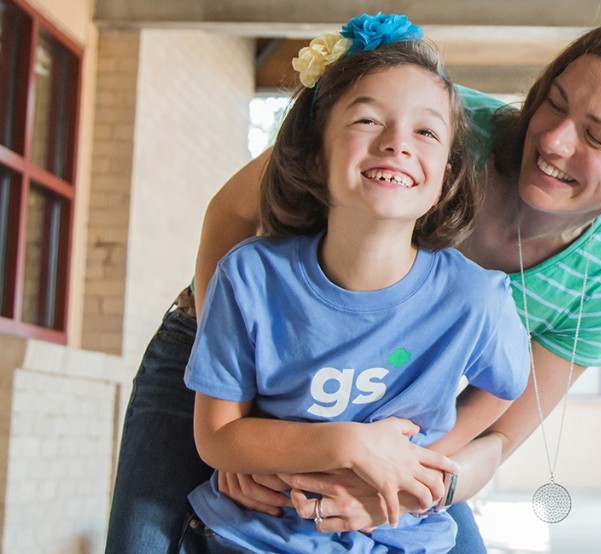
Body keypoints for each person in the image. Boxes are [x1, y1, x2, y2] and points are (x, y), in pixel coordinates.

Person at [106, 20, 601, 553]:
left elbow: (497, 433)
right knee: (144, 536)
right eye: (554, 102)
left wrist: (389, 483)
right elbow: (230, 214)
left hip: (378, 412)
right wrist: (251, 427)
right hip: (225, 358)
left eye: (597, 137)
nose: (555, 139)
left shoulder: (596, 289)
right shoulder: (433, 127)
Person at [180, 14, 530, 553]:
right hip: (252, 535)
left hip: (400, 539)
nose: (396, 143)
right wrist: (350, 443)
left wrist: (415, 457)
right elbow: (218, 436)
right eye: (367, 120)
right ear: (316, 155)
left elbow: (505, 387)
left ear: (446, 176)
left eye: (426, 130)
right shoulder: (250, 277)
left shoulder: (476, 298)